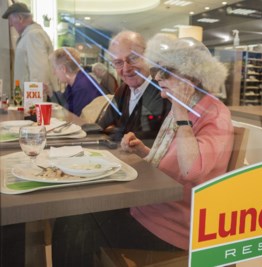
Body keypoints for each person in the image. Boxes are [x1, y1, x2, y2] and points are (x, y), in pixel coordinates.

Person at [52, 34, 234, 266]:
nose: (157, 78)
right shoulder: (191, 107)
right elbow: (173, 166)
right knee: (73, 215)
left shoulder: (212, 113)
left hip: (171, 226)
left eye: (166, 72)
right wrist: (144, 151)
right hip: (148, 209)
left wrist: (179, 111)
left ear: (191, 76)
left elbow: (191, 172)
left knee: (75, 225)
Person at [97, 31, 171, 143]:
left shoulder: (163, 91)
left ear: (149, 56)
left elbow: (144, 138)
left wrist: (114, 131)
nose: (126, 69)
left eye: (133, 58)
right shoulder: (123, 89)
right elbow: (102, 126)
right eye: (118, 62)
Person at [2, 2, 59, 99]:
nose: (10, 25)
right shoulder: (31, 34)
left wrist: (34, 104)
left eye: (11, 20)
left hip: (33, 102)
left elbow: (38, 71)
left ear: (20, 18)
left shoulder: (33, 35)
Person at [48, 47, 102, 116]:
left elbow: (77, 119)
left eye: (54, 68)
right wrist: (49, 91)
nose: (53, 72)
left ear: (63, 69)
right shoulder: (76, 81)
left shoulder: (82, 87)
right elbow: (63, 102)